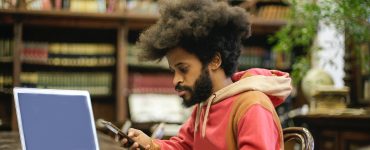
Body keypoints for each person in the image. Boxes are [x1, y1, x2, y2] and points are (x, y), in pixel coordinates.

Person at [120, 0, 292, 149]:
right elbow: (184, 146)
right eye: (174, 71)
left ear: (214, 61)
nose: (176, 80)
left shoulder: (252, 107)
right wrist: (150, 144)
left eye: (184, 69)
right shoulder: (204, 105)